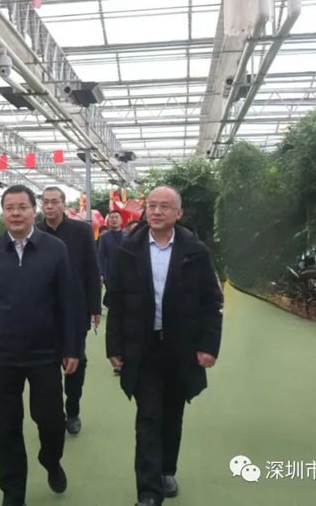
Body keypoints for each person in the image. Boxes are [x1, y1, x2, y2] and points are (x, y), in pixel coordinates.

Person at [104, 186, 223, 506]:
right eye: (152, 206)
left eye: (164, 207)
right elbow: (115, 301)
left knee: (172, 413)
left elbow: (211, 302)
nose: (156, 212)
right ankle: (148, 491)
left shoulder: (195, 251)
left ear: (178, 214)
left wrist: (208, 345)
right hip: (142, 347)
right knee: (148, 416)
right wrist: (114, 346)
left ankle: (166, 469)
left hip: (180, 347)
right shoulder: (129, 250)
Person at [0, 185, 80, 506]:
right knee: (6, 427)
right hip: (1, 355)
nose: (15, 213)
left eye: (22, 207)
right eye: (9, 208)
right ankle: (13, 492)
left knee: (51, 421)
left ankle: (51, 460)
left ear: (34, 210)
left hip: (44, 353)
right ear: (3, 213)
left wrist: (72, 347)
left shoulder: (55, 249)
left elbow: (68, 302)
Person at [37, 186, 101, 435]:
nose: (49, 206)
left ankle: (72, 410)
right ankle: (55, 413)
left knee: (76, 360)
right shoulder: (35, 232)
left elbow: (92, 270)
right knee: (47, 365)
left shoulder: (81, 231)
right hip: (42, 310)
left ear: (64, 204)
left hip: (75, 308)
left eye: (54, 201)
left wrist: (94, 306)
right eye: (45, 202)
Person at [98, 209, 126, 282]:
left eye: (116, 217)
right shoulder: (104, 237)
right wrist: (101, 273)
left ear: (121, 220)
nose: (114, 219)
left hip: (125, 273)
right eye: (112, 217)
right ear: (108, 221)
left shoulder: (127, 236)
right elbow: (101, 256)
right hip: (110, 273)